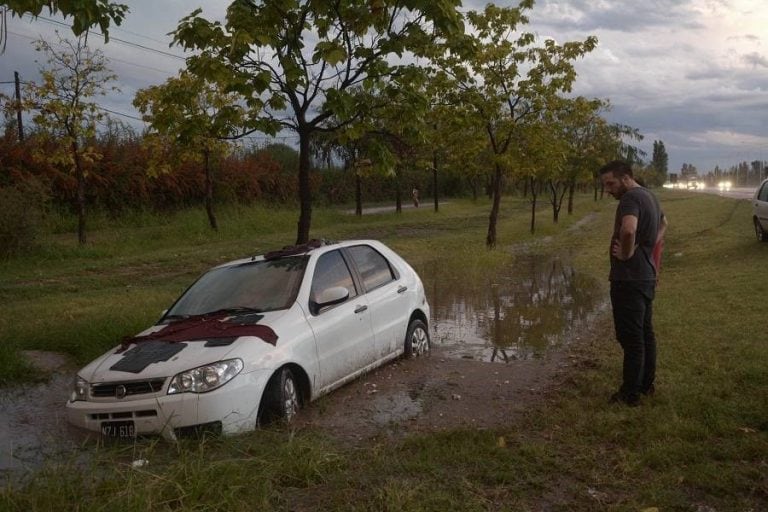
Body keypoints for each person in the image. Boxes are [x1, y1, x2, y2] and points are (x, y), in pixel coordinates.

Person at [599, 160, 667, 406]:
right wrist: (647, 248)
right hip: (646, 276)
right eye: (605, 184)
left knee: (631, 339)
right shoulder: (650, 195)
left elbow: (628, 230)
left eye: (611, 183)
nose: (608, 189)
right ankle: (646, 385)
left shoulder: (630, 199)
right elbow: (663, 225)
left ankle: (630, 394)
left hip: (629, 279)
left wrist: (628, 253)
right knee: (645, 334)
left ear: (626, 178)